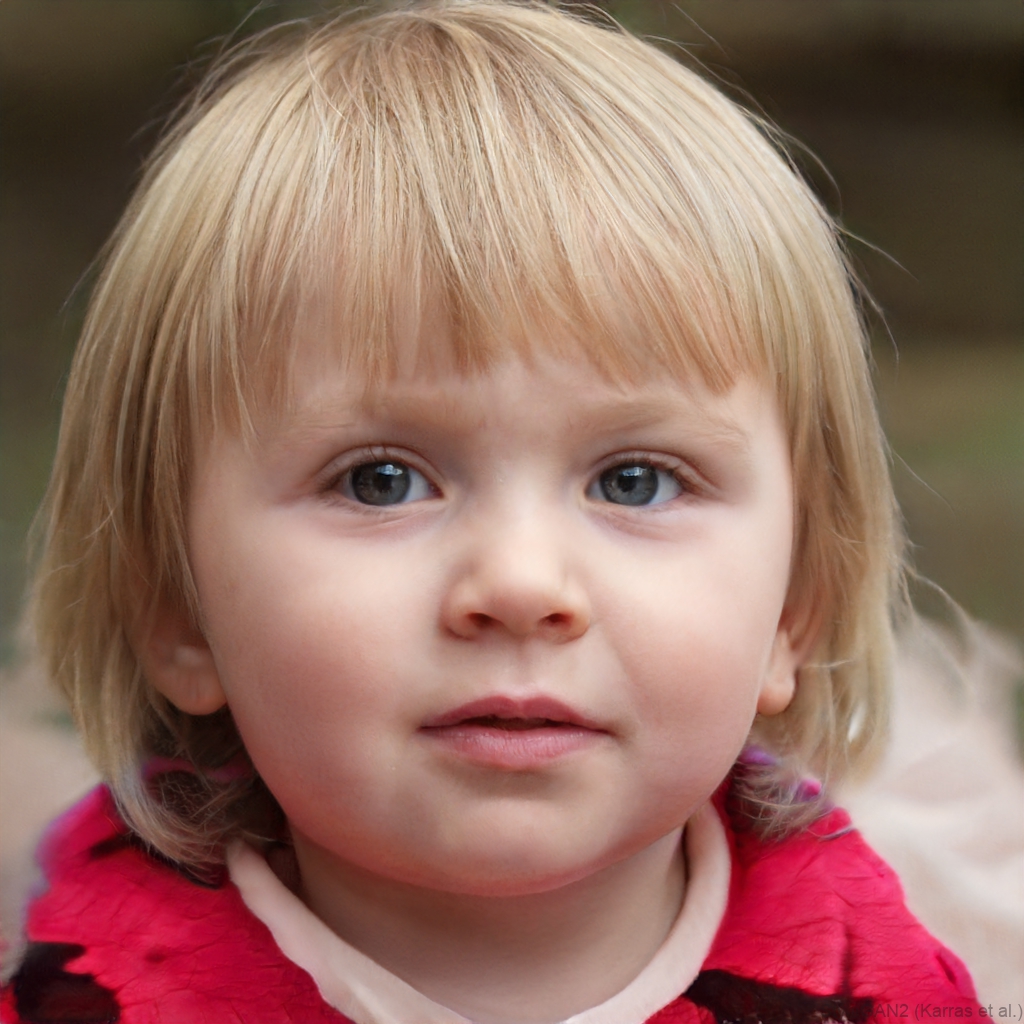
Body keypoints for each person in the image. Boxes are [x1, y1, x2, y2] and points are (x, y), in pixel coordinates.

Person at [2, 3, 983, 1022]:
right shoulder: (83, 998)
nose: (519, 584)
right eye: (380, 480)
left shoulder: (888, 995)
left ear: (794, 607)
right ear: (177, 606)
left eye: (634, 480)